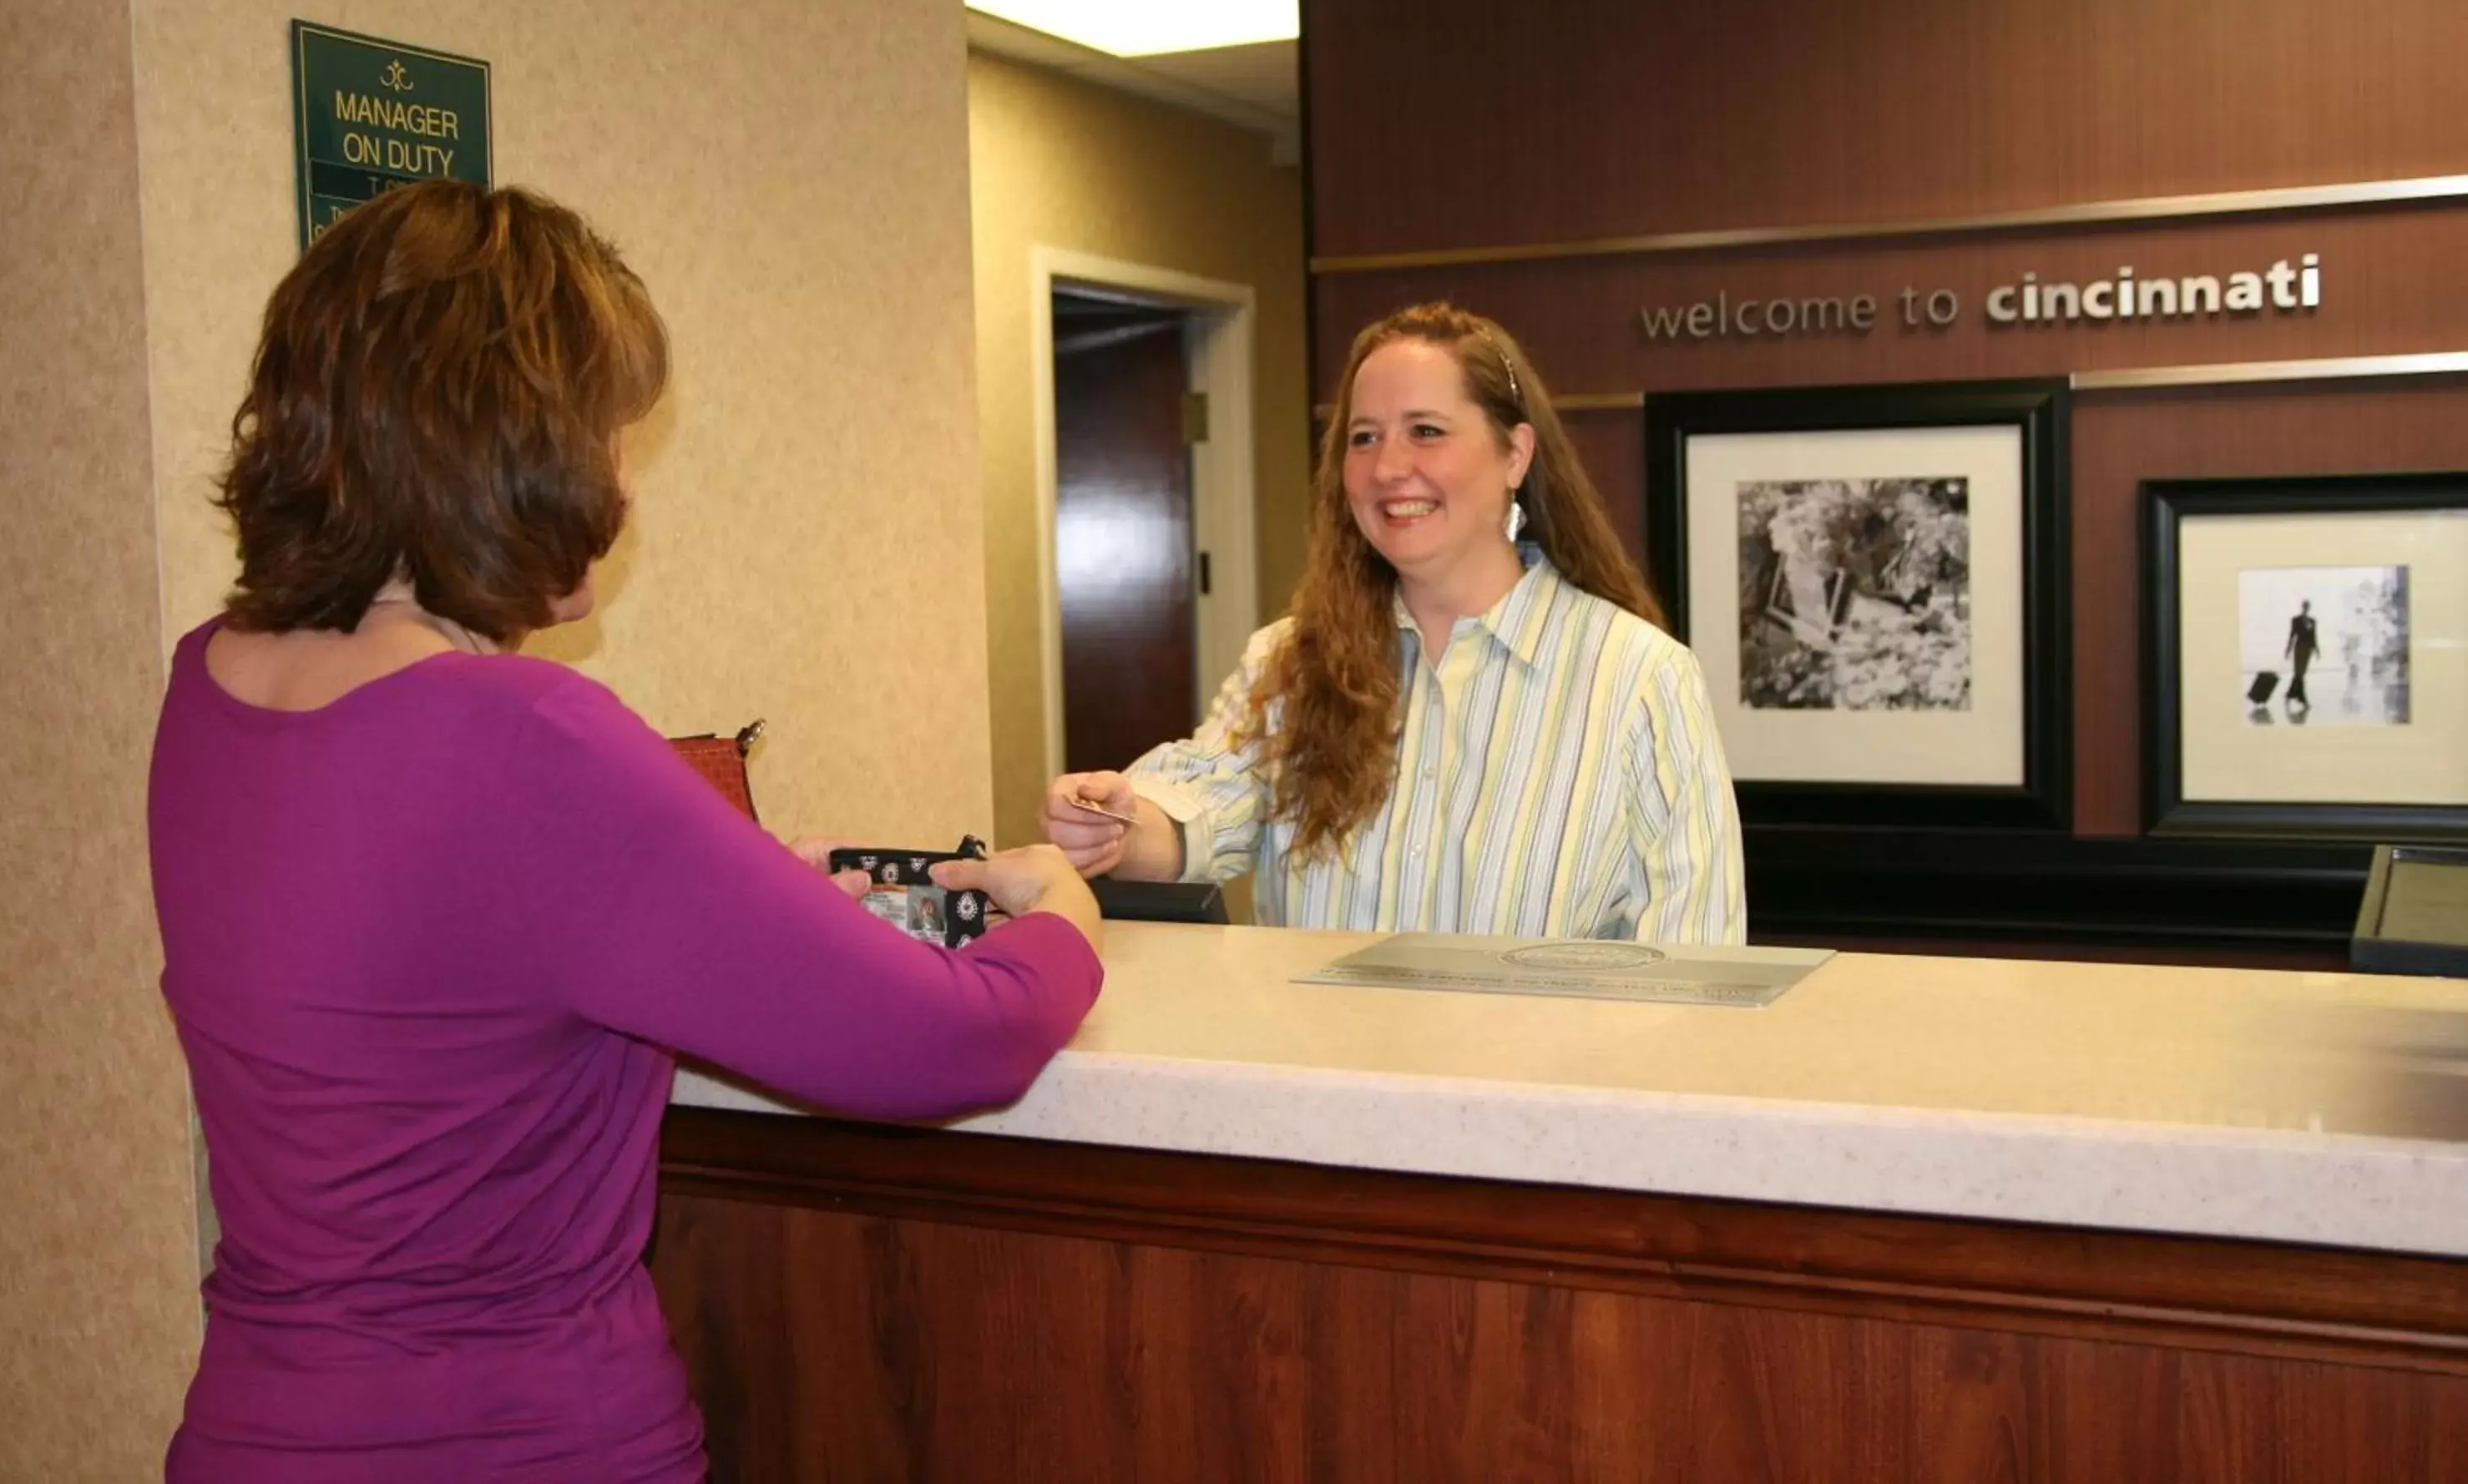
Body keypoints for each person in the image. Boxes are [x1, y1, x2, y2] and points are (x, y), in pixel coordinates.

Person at [149, 181, 1105, 1481]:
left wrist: (727, 887)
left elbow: (424, 980)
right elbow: (956, 1039)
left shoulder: (205, 686)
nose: (621, 488)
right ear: (505, 448)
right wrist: (1063, 919)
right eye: (604, 437)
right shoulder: (529, 732)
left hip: (254, 1437)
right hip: (513, 1446)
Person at [1043, 301, 1744, 941]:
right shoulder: (1291, 659)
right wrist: (1109, 825)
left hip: (1538, 1083)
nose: (1389, 468)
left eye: (1427, 432)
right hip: (1322, 1080)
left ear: (1515, 454)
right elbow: (1201, 811)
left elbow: (1695, 962)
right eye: (1365, 438)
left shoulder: (1639, 678)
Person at [2285, 599, 2320, 709]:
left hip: (2307, 650)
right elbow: (2292, 635)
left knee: (2300, 673)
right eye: (2305, 606)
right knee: (2299, 673)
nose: (2306, 608)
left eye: (2307, 606)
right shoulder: (2296, 620)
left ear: (2309, 608)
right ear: (2302, 607)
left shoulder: (2312, 621)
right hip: (2299, 648)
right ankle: (2302, 698)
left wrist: (2317, 650)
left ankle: (2291, 693)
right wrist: (2288, 649)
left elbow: (2314, 637)